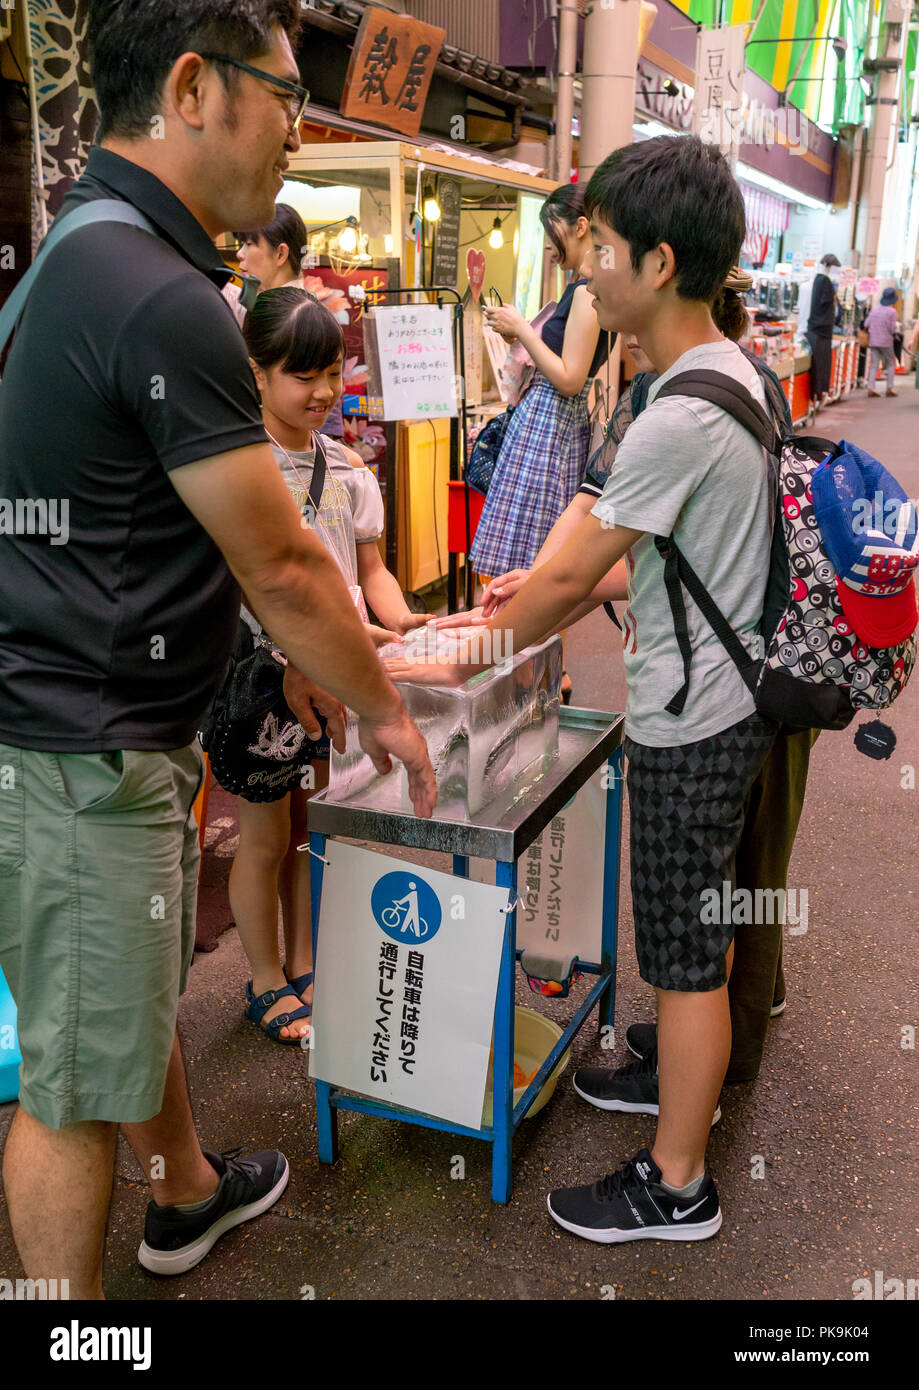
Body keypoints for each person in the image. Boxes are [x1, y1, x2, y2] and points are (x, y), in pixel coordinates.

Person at [0, 0, 435, 1299]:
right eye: (285, 99)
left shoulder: (77, 251)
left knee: (114, 1003)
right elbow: (286, 562)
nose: (298, 137)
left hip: (71, 733)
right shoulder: (162, 298)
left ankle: (185, 1192)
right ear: (193, 88)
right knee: (71, 1091)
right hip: (84, 750)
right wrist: (385, 711)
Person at [388, 134, 777, 1244]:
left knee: (685, 949)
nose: (584, 266)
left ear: (657, 262)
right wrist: (562, 580)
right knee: (696, 926)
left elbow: (558, 589)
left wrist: (444, 645)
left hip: (693, 713)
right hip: (729, 696)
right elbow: (656, 551)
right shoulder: (722, 375)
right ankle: (678, 1069)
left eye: (598, 245)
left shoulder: (675, 410)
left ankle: (677, 1182)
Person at [225, 287, 427, 1042]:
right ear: (256, 375)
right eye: (298, 375)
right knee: (264, 837)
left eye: (331, 374)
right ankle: (265, 977)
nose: (319, 393)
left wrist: (404, 621)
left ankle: (306, 959)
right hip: (259, 678)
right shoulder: (239, 468)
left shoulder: (345, 466)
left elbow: (370, 570)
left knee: (317, 828)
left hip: (333, 671)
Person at [470, 183, 611, 699]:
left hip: (550, 426)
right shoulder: (582, 286)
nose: (547, 245)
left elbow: (571, 376)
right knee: (531, 555)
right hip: (551, 425)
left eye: (551, 231)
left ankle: (536, 675)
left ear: (578, 227)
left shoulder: (587, 290)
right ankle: (540, 672)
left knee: (530, 557)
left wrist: (520, 329)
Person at [805, 252, 840, 412]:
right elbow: (827, 304)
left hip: (815, 328)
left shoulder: (817, 280)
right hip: (821, 330)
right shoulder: (824, 281)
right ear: (828, 265)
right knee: (821, 366)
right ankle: (818, 395)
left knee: (818, 366)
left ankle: (817, 396)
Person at [865, 287, 900, 399]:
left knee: (874, 365)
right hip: (886, 342)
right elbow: (892, 328)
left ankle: (871, 388)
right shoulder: (892, 312)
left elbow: (866, 323)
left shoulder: (874, 309)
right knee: (890, 363)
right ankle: (889, 389)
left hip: (873, 341)